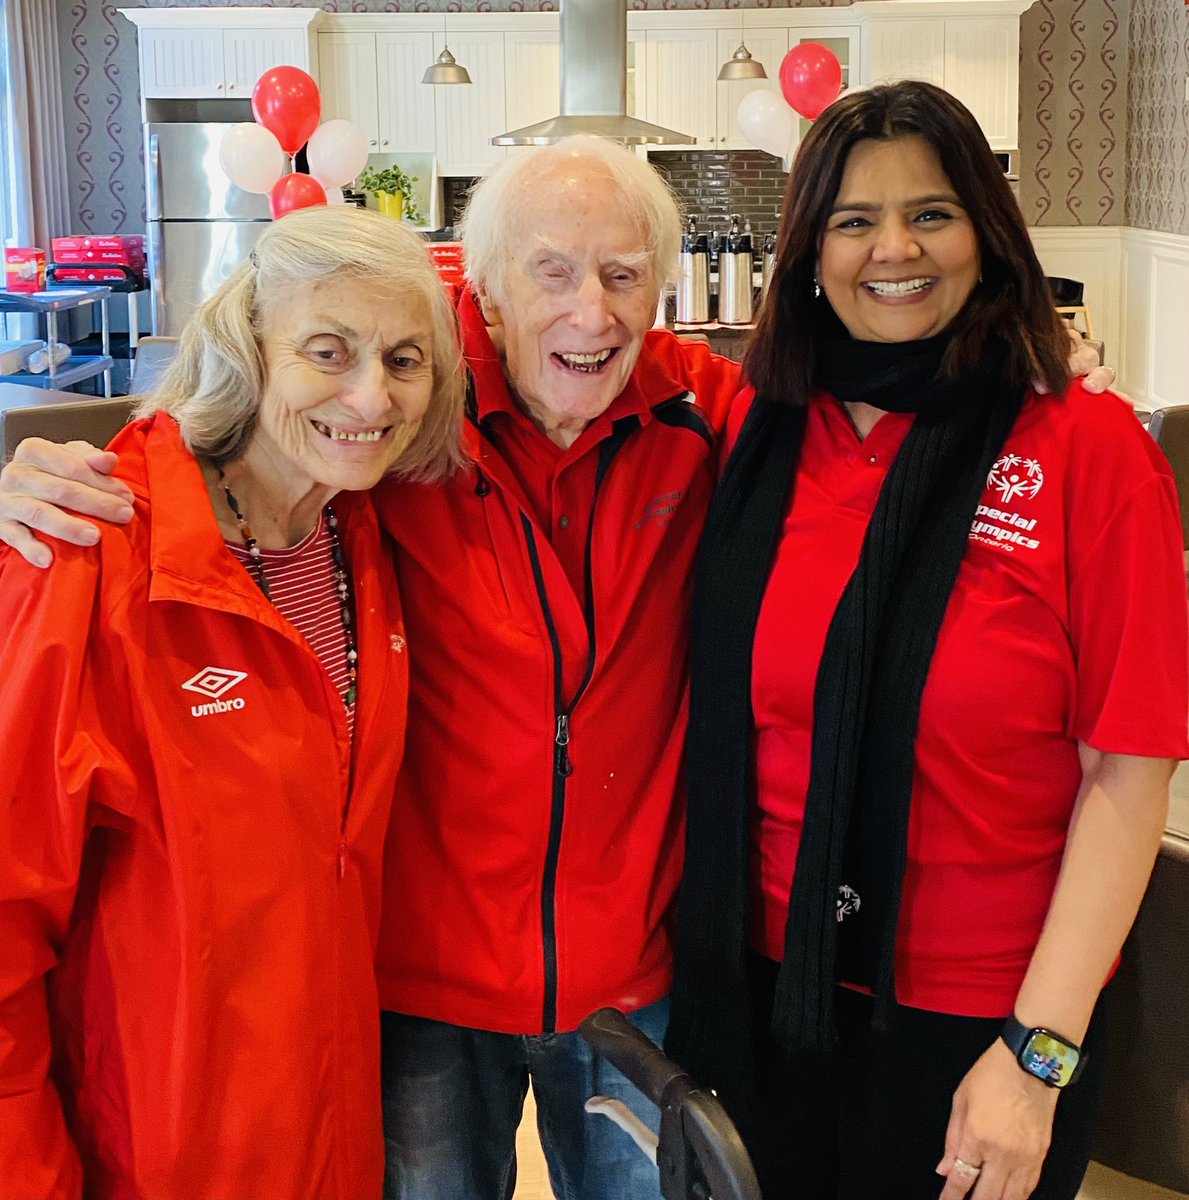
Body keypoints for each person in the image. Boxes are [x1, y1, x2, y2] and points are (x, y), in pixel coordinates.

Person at [0, 135, 1118, 1200]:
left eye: (624, 274)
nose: (592, 311)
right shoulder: (399, 423)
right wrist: (40, 474)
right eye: (552, 272)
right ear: (480, 289)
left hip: (637, 986)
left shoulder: (711, 412)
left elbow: (868, 417)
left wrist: (1014, 378)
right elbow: (236, 435)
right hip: (414, 985)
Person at [664, 81, 1189, 1200]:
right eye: (853, 220)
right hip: (758, 994)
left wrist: (1036, 1059)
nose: (892, 250)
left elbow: (1128, 775)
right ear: (809, 247)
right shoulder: (754, 423)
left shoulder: (1085, 446)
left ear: (987, 234)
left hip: (979, 1019)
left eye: (932, 213)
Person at [0, 204, 464, 1199]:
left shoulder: (367, 537)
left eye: (405, 360)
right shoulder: (89, 553)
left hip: (330, 1127)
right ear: (247, 349)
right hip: (152, 1155)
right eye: (327, 351)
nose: (370, 395)